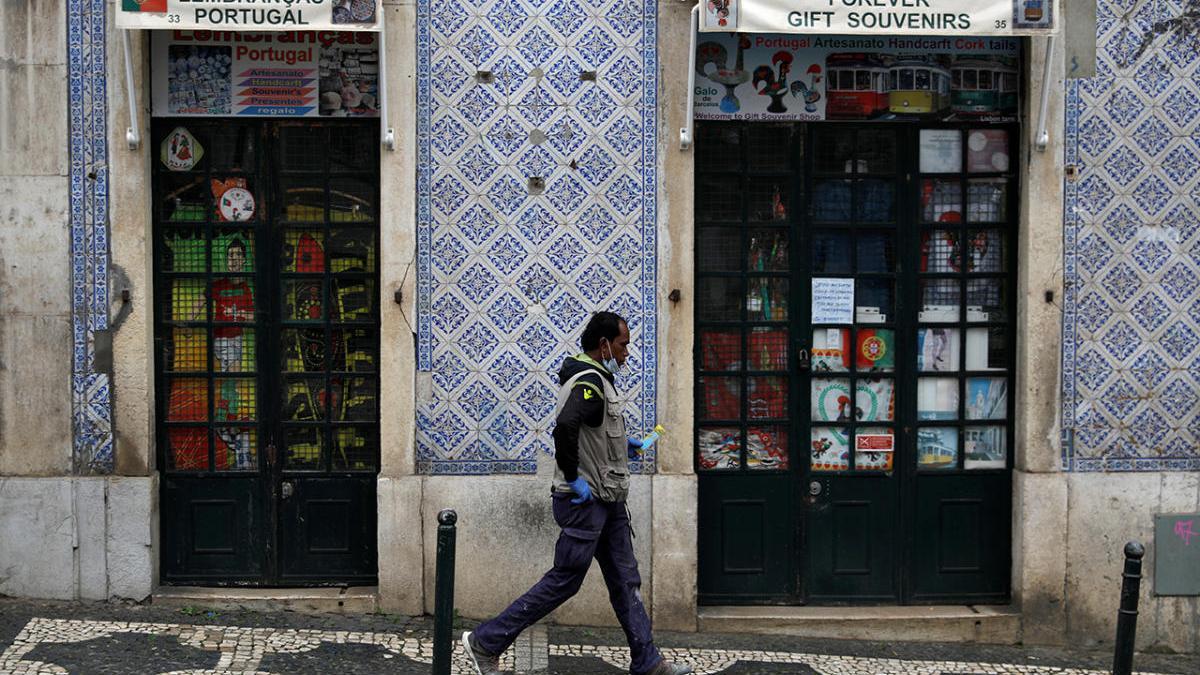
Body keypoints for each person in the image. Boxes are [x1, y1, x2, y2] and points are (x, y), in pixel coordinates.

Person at [462, 312, 691, 675]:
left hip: (608, 500)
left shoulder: (598, 380)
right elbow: (566, 426)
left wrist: (620, 447)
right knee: (565, 580)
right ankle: (485, 642)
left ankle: (647, 662)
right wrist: (574, 478)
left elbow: (591, 432)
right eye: (623, 344)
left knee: (625, 580)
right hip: (585, 502)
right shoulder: (590, 382)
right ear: (604, 346)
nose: (627, 352)